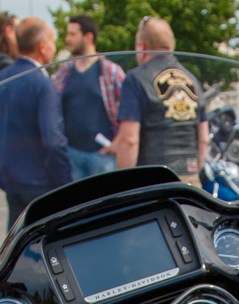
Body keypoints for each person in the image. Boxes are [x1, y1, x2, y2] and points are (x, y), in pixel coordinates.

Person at [114, 17, 209, 187]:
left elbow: (129, 140)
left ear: (142, 46)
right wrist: (193, 172)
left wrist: (123, 185)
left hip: (152, 182)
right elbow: (203, 139)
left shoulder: (136, 79)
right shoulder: (192, 80)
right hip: (190, 182)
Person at [0, 17, 72, 228]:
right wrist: (66, 183)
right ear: (43, 45)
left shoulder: (4, 78)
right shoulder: (42, 84)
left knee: (17, 239)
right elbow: (53, 140)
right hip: (42, 185)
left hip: (10, 182)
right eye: (53, 41)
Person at [53, 14, 125, 180]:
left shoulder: (110, 71)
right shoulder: (64, 72)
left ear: (88, 37)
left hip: (102, 155)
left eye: (72, 34)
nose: (67, 38)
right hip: (72, 154)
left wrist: (117, 143)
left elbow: (129, 110)